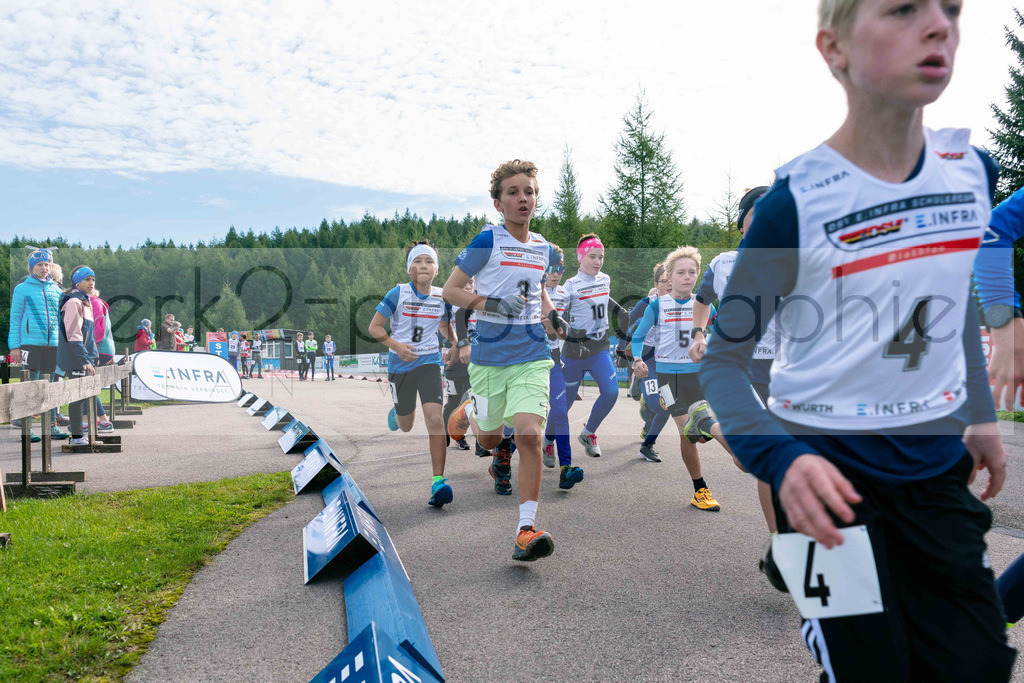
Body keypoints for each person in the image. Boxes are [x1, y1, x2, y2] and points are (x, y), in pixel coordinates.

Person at [699, 1, 1015, 679]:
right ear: (833, 48)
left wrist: (981, 408)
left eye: (951, 10)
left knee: (979, 665)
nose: (939, 26)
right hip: (819, 482)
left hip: (935, 472)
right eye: (903, 9)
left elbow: (952, 297)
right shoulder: (792, 204)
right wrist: (781, 461)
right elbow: (722, 363)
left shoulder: (973, 171)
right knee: (869, 669)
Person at [442, 159, 564, 562]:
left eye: (528, 191)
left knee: (529, 434)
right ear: (498, 203)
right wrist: (490, 302)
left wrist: (551, 316)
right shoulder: (487, 242)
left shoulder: (543, 247)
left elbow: (538, 294)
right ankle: (470, 412)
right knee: (492, 439)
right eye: (512, 192)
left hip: (531, 353)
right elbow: (451, 290)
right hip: (490, 357)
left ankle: (525, 530)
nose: (522, 199)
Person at [688, 185, 777, 533]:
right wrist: (698, 333)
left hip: (786, 372)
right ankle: (783, 543)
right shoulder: (723, 264)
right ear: (742, 222)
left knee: (754, 460)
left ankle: (704, 419)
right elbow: (702, 300)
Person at [630, 247, 726, 512]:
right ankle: (701, 488)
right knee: (690, 430)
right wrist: (637, 359)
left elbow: (721, 333)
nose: (687, 277)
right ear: (669, 277)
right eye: (680, 272)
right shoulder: (657, 305)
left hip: (696, 377)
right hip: (667, 378)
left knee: (694, 433)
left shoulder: (705, 305)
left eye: (692, 272)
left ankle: (699, 491)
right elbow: (638, 336)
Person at [368, 241, 455, 508]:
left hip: (429, 363)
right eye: (417, 261)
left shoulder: (443, 297)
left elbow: (444, 326)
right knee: (405, 425)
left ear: (436, 269)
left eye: (429, 261)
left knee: (434, 419)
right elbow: (374, 327)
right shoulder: (398, 293)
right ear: (410, 269)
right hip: (400, 365)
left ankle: (438, 481)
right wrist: (396, 346)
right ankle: (398, 411)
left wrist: (454, 343)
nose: (423, 266)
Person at [559, 233, 630, 459]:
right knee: (565, 404)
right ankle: (548, 441)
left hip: (599, 346)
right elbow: (556, 318)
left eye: (601, 257)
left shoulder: (605, 279)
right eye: (592, 256)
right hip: (575, 351)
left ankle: (589, 432)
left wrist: (621, 317)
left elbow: (604, 302)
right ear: (580, 258)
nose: (598, 262)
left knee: (611, 392)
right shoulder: (569, 285)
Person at [8, 247, 69, 441]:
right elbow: (15, 318)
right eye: (40, 265)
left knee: (50, 385)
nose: (45, 268)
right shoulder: (22, 288)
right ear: (31, 267)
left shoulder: (56, 288)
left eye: (47, 264)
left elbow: (62, 318)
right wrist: (14, 346)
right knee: (29, 385)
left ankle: (51, 426)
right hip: (29, 344)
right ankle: (27, 428)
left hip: (53, 345)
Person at [621, 264, 673, 462]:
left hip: (668, 363)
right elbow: (628, 324)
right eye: (664, 281)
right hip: (648, 359)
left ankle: (647, 445)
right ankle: (645, 397)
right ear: (655, 284)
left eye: (671, 280)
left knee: (668, 405)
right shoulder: (648, 303)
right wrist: (623, 349)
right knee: (660, 405)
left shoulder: (684, 303)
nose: (669, 285)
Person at [541, 246, 584, 489]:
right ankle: (502, 458)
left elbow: (565, 328)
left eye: (560, 269)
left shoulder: (566, 294)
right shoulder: (527, 291)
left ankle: (566, 467)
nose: (556, 274)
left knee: (559, 411)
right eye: (551, 268)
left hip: (554, 359)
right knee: (523, 419)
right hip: (529, 359)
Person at [57, 266, 99, 446]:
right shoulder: (74, 302)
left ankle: (79, 434)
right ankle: (76, 437)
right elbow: (73, 334)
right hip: (75, 359)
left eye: (93, 279)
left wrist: (93, 357)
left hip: (85, 358)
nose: (91, 283)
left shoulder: (85, 302)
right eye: (87, 279)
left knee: (84, 397)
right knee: (77, 398)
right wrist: (84, 360)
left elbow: (89, 336)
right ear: (77, 282)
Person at [88, 287, 115, 434]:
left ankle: (102, 421)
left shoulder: (95, 304)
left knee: (87, 384)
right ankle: (98, 421)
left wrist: (88, 347)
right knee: (88, 384)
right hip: (103, 349)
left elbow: (98, 330)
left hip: (99, 349)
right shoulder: (98, 303)